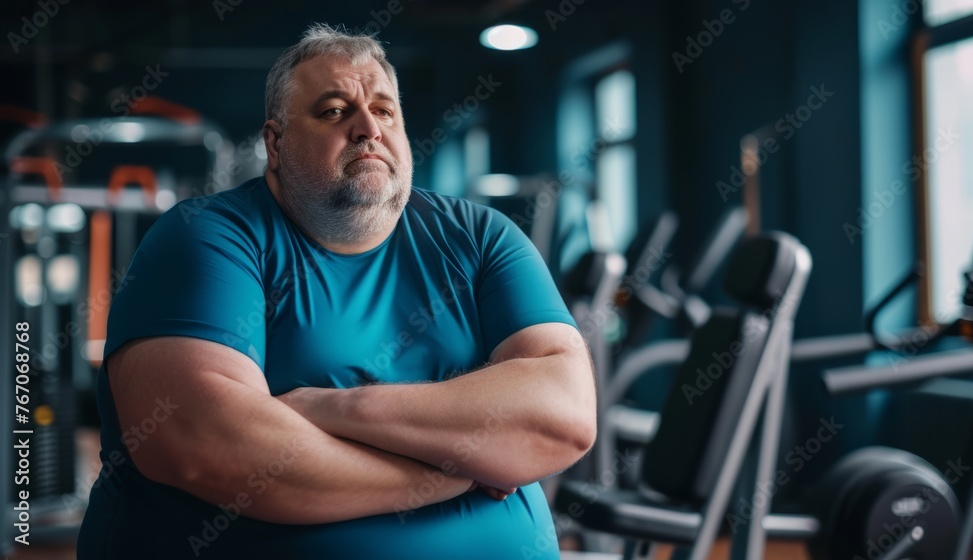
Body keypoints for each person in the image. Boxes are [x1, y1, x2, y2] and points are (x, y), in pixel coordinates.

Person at [77, 23, 596, 559]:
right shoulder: (206, 237)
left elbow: (563, 418)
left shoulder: (481, 236)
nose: (368, 127)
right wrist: (463, 468)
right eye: (333, 110)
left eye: (385, 110)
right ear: (275, 144)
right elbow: (210, 446)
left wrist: (328, 408)